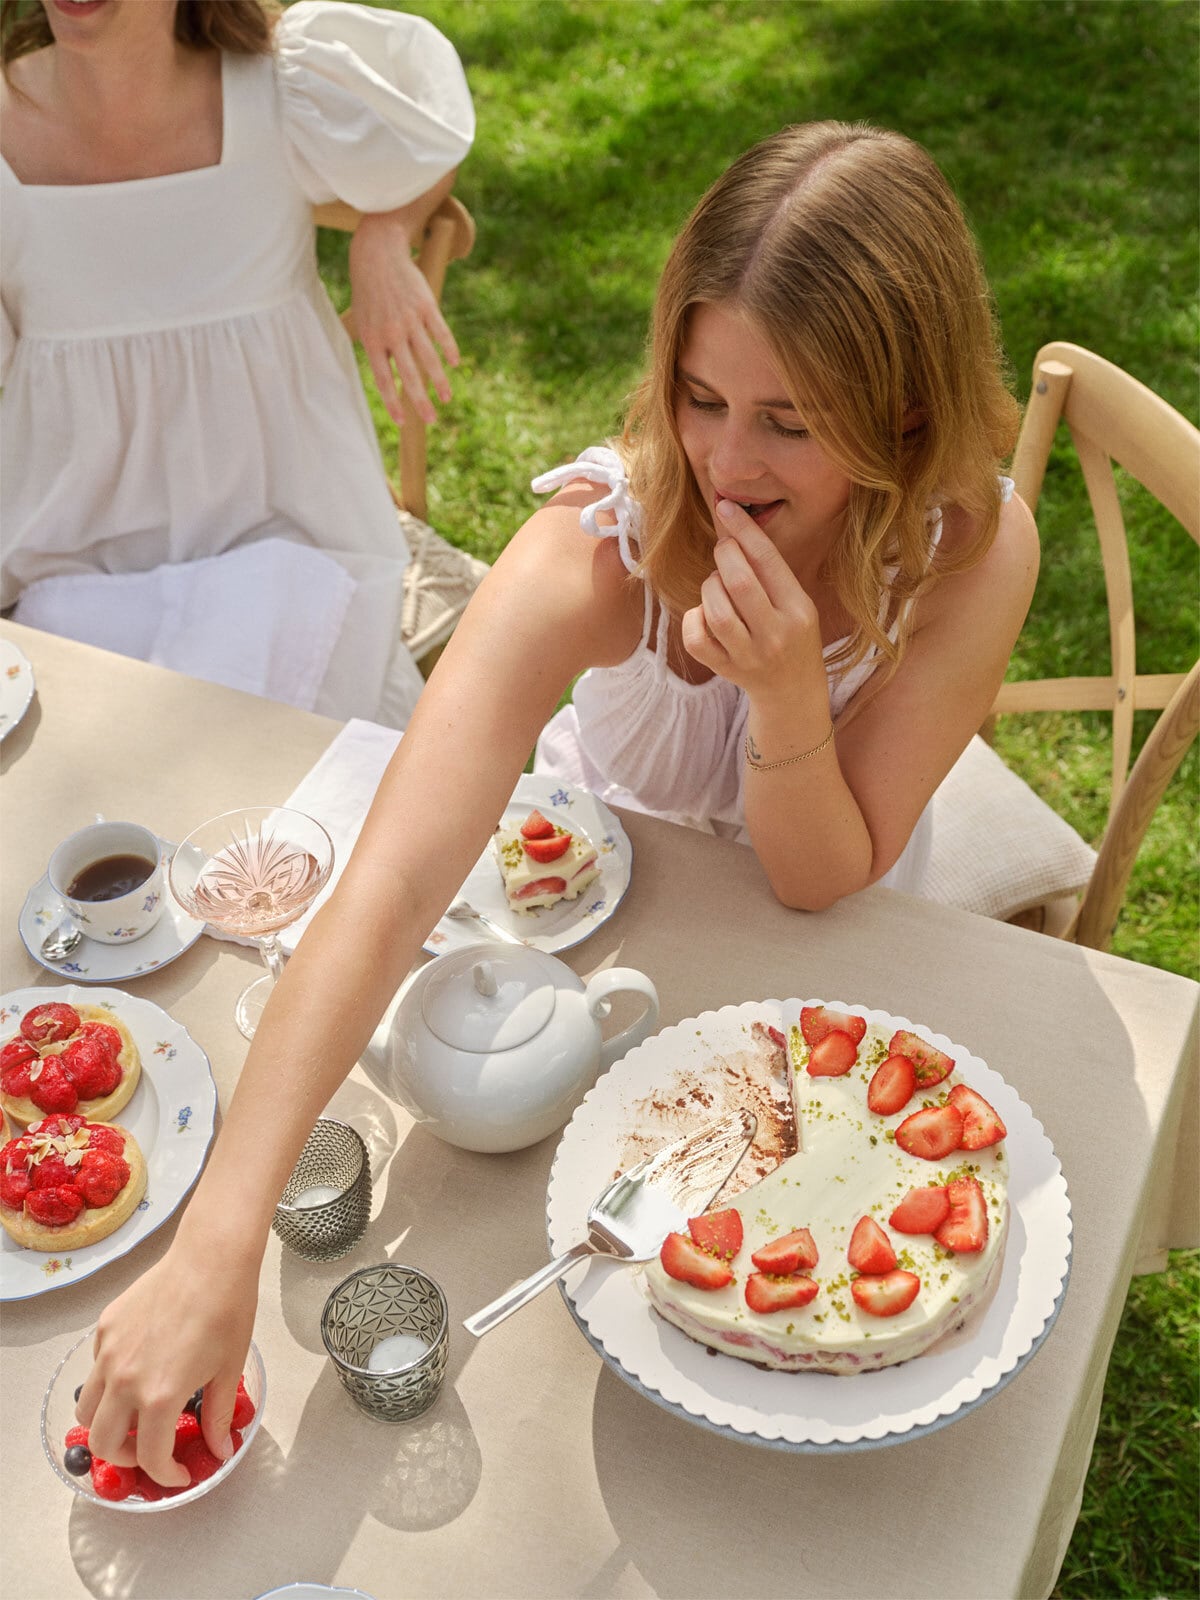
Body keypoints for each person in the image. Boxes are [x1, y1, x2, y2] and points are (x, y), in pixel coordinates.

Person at [76, 120, 1038, 1486]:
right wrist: (217, 1239)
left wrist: (780, 698)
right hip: (606, 944)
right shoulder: (601, 555)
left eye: (786, 419)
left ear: (905, 417)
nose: (725, 460)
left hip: (831, 941)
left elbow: (821, 879)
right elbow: (395, 882)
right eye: (702, 397)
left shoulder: (969, 548)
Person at [0, 0, 474, 726]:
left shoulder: (284, 91)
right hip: (66, 555)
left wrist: (386, 231)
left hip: (290, 530)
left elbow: (429, 121)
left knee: (275, 780)